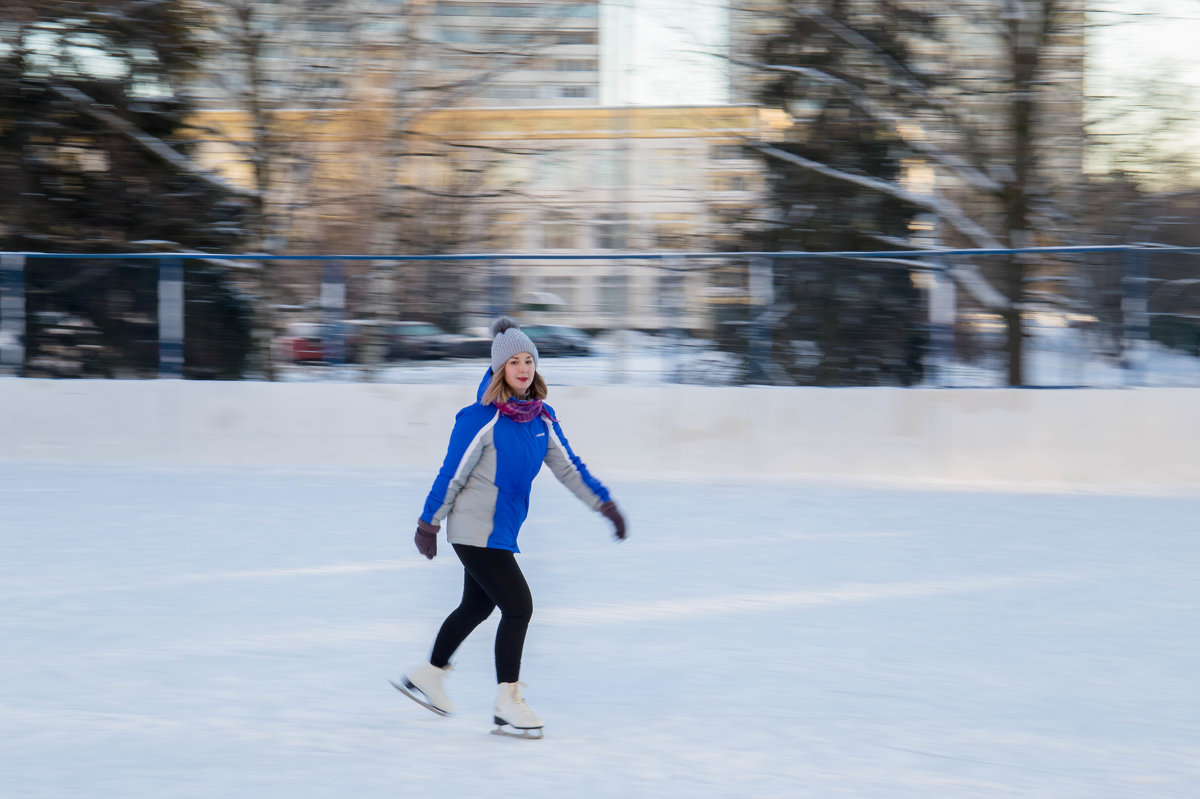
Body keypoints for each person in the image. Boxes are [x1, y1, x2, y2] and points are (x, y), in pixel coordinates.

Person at [393, 316, 627, 739]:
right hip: (472, 528)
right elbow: (452, 474)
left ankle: (429, 674)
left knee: (477, 607)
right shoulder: (480, 417)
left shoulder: (541, 418)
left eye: (529, 361)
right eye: (514, 362)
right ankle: (508, 701)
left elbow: (570, 469)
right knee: (519, 607)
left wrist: (603, 503)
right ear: (499, 369)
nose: (523, 369)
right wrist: (428, 523)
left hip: (500, 530)